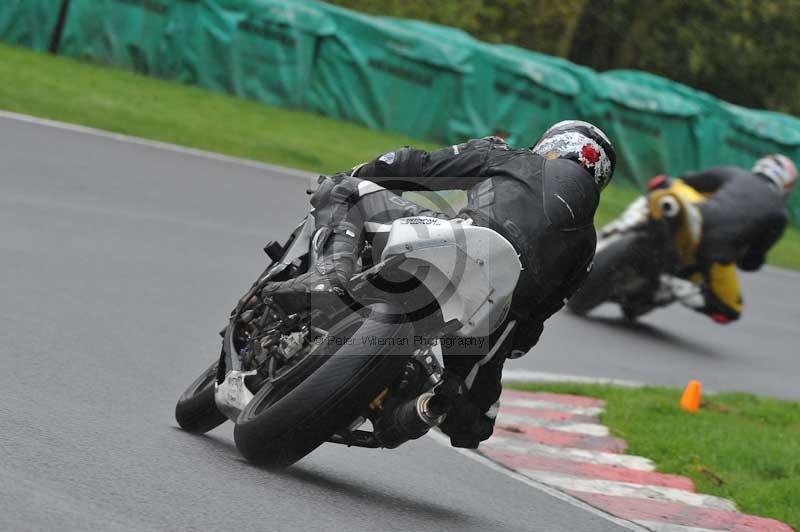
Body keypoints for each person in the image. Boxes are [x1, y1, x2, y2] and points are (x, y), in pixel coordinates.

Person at [265, 120, 616, 448]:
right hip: (491, 315)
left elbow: (413, 164)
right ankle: (425, 404)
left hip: (459, 240)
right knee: (473, 424)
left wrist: (361, 174)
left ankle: (329, 278)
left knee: (347, 191)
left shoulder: (513, 158)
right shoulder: (587, 247)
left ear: (552, 144)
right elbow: (530, 329)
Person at [650, 154, 797, 323]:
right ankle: (671, 285)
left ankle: (641, 218)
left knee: (670, 183)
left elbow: (690, 179)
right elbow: (752, 260)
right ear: (786, 185)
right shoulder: (779, 215)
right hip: (716, 252)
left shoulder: (735, 173)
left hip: (697, 216)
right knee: (731, 309)